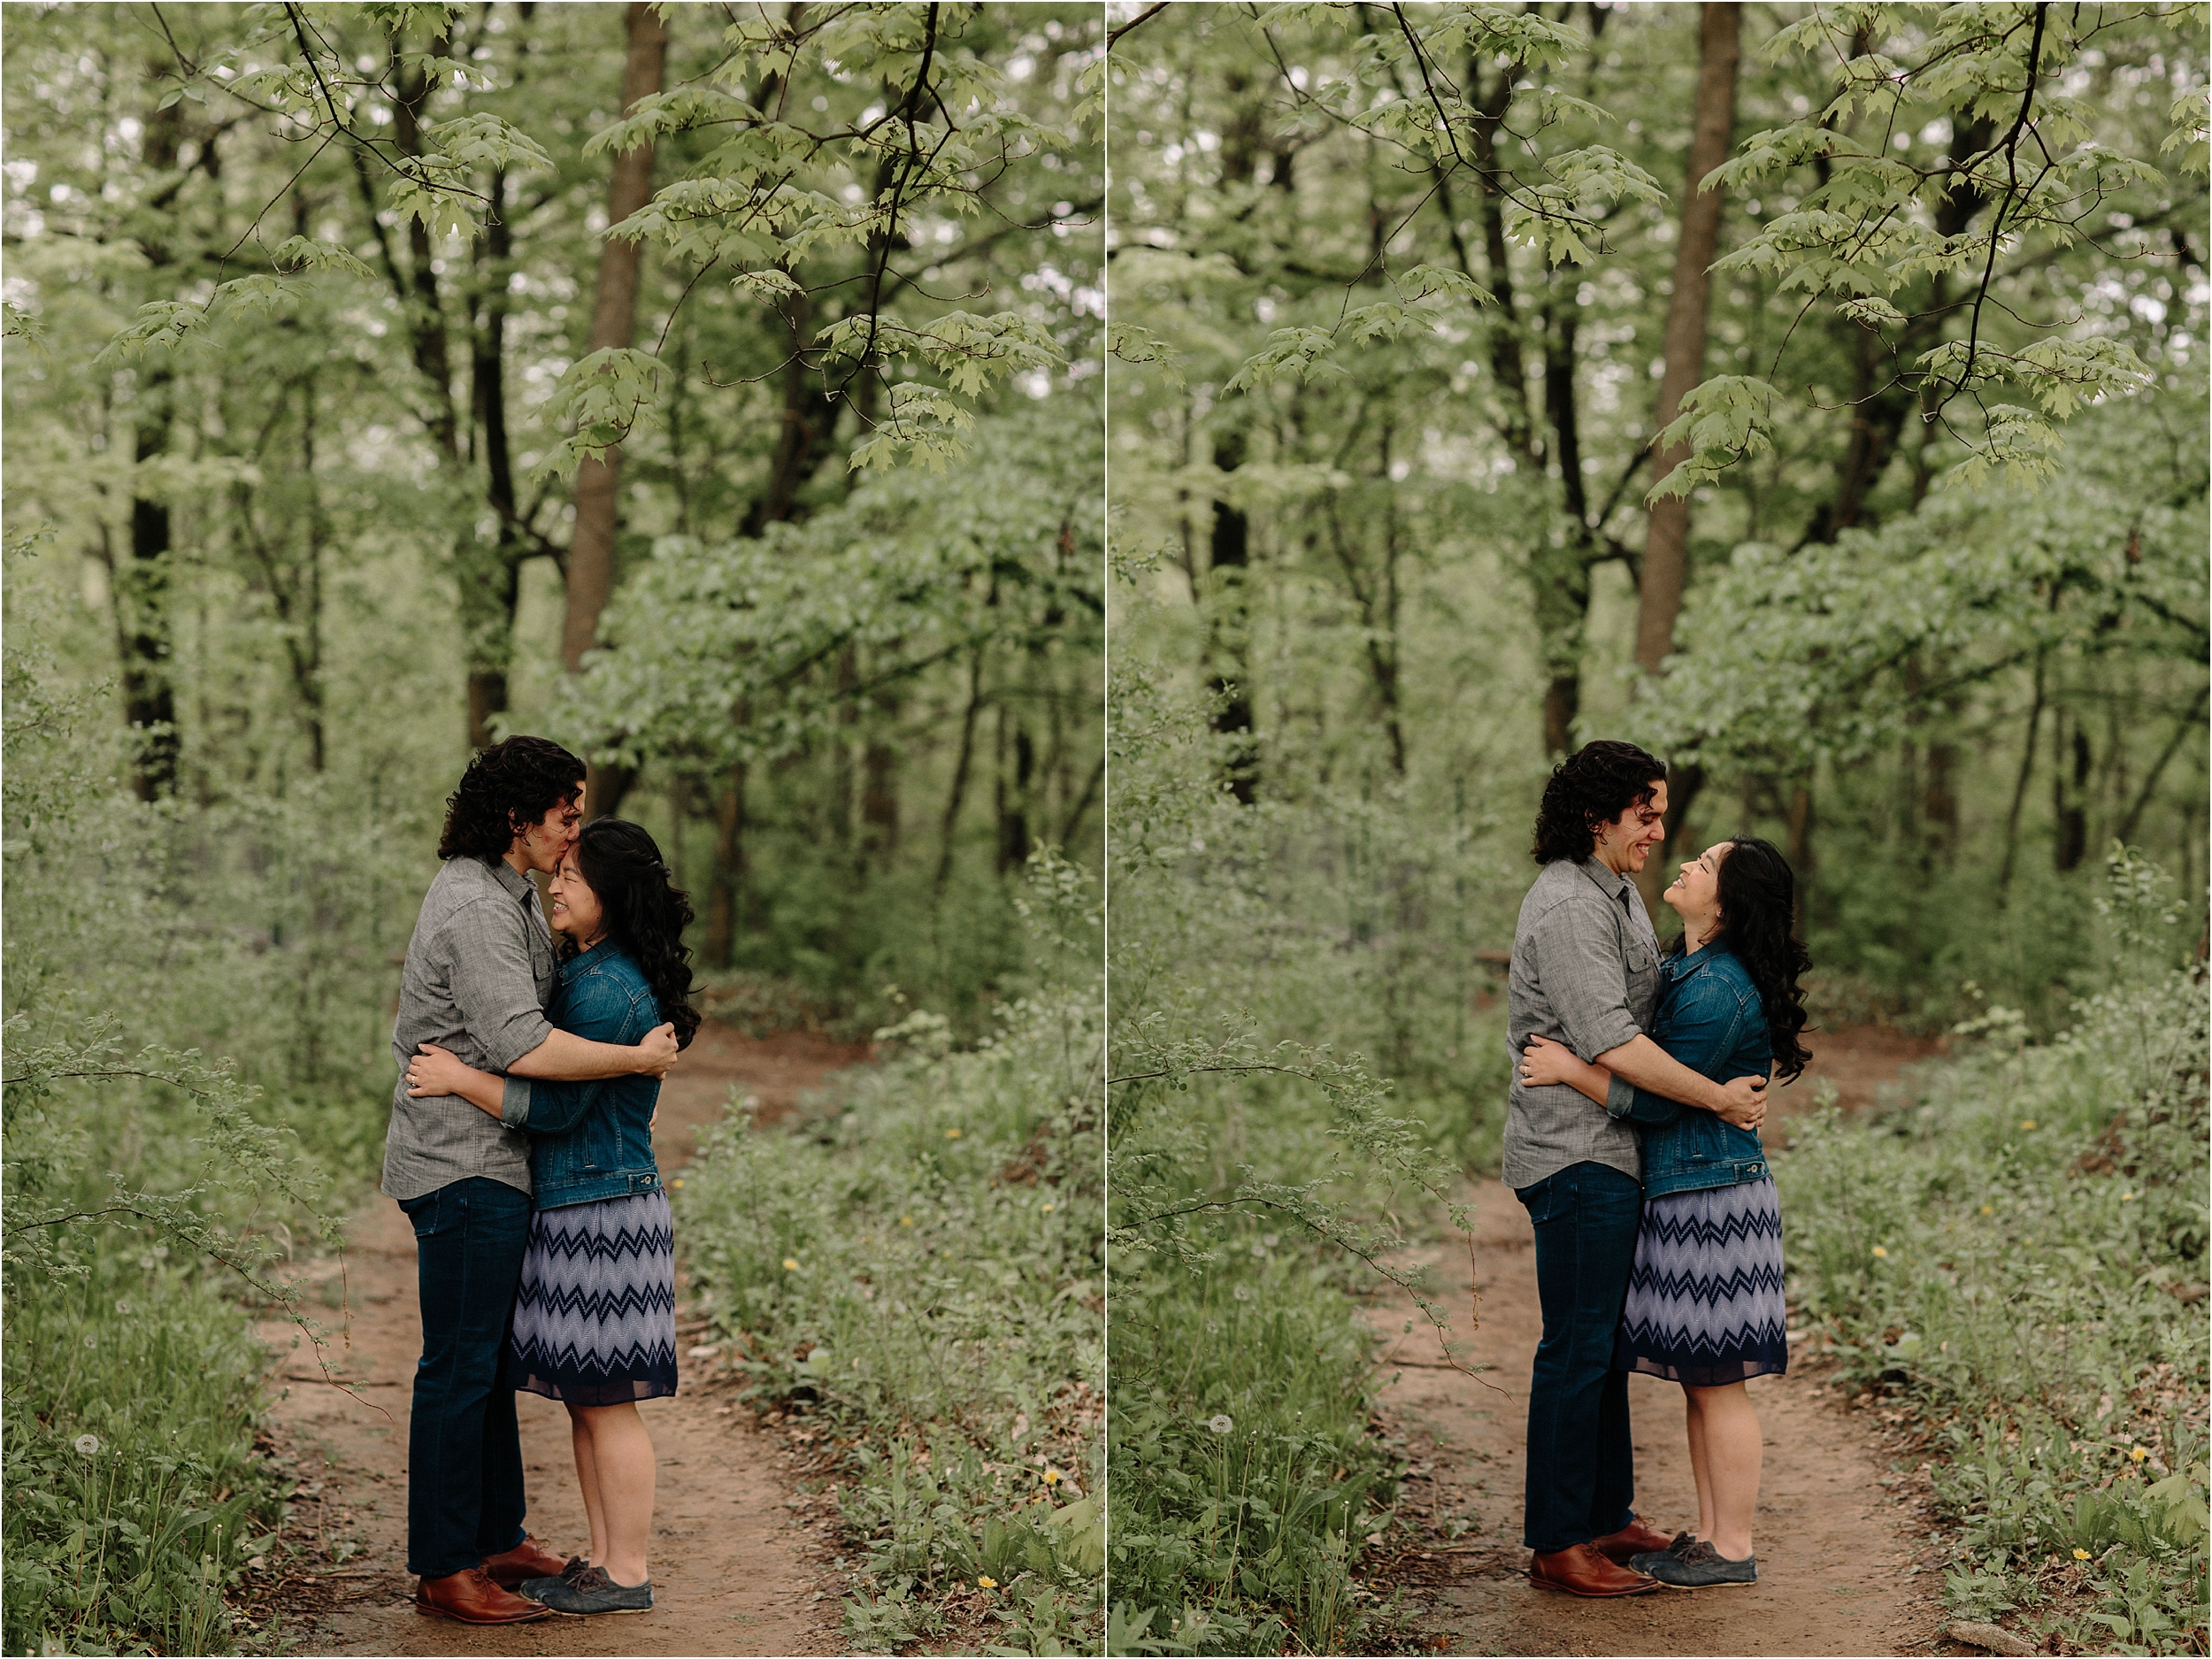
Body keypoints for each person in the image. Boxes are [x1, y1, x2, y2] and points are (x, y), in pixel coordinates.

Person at [384, 737, 680, 1626]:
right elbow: (523, 1045)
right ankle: (446, 1564)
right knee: (459, 1367)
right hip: (464, 1166)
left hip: (503, 1164)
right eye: (566, 814)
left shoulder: (511, 893)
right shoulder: (476, 905)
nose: (573, 832)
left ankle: (498, 1533)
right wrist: (635, 1058)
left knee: (489, 1362)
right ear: (519, 817)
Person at [1502, 740, 1770, 1598]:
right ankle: (1557, 1540)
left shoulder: (1612, 892)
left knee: (1605, 1346)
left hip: (1615, 1155)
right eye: (1645, 813)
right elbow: (1615, 1042)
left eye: (1661, 812)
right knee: (1575, 1347)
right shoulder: (1568, 909)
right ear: (1597, 815)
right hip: (1575, 1156)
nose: (1659, 829)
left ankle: (1605, 1512)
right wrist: (1720, 1099)